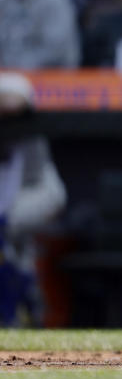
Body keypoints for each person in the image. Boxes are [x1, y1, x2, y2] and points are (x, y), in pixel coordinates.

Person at [0, 73, 67, 326]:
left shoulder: (10, 83)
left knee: (18, 263)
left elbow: (15, 101)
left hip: (27, 204)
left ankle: (25, 317)